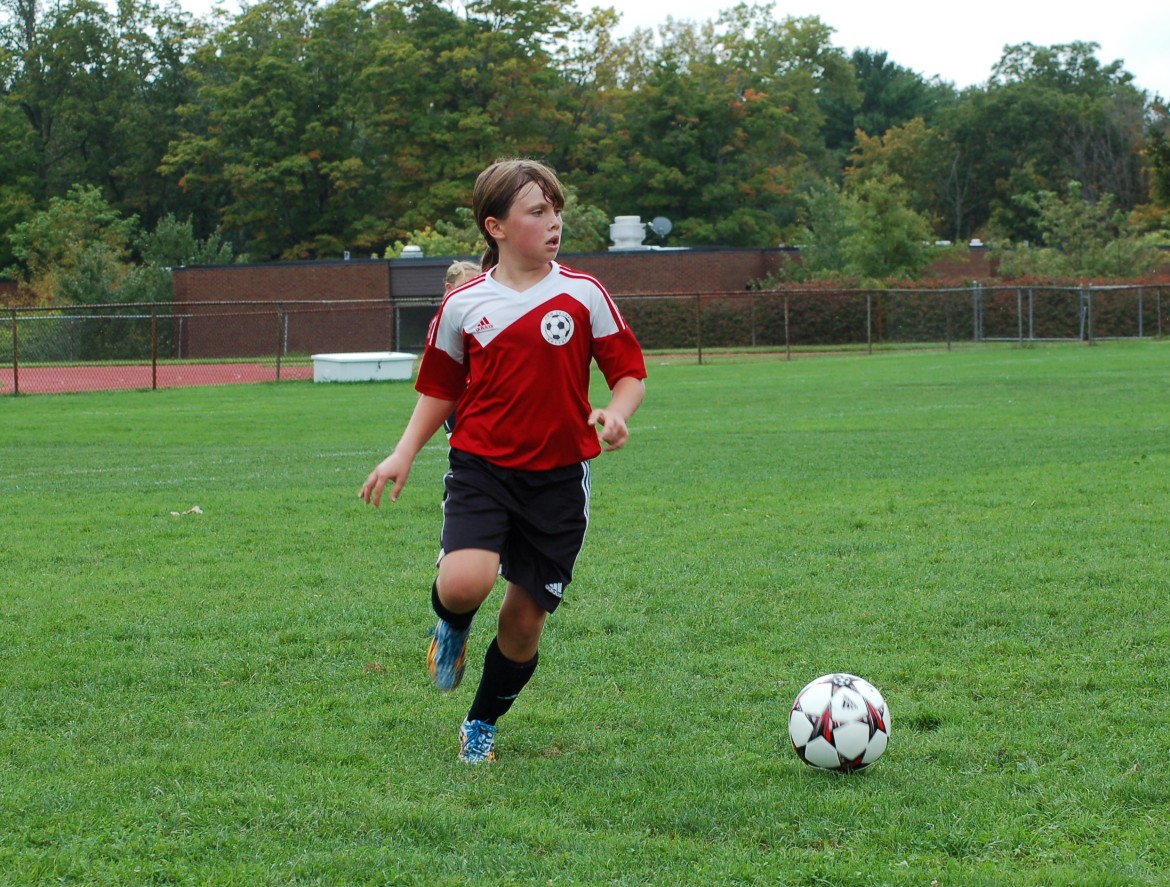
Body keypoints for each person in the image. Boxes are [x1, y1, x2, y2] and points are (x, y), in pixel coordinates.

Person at [359, 158, 646, 764]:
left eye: (556, 210)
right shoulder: (463, 306)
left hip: (559, 482)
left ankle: (480, 724)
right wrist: (402, 452)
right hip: (481, 469)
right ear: (495, 226)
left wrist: (617, 412)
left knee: (522, 623)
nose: (554, 222)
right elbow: (439, 391)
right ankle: (452, 626)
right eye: (538, 211)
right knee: (465, 583)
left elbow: (628, 374)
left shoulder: (584, 294)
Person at [439, 260, 481, 439]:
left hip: (484, 398)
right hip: (457, 398)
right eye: (466, 287)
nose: (472, 293)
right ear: (449, 287)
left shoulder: (486, 313)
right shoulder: (447, 319)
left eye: (477, 286)